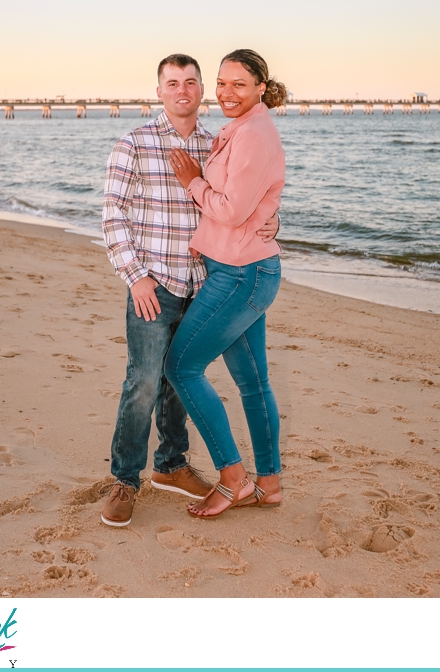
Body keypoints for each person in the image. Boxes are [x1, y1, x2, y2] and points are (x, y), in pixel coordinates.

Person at [99, 54, 277, 528]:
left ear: (201, 91)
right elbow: (113, 216)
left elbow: (240, 201)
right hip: (154, 285)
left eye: (192, 82)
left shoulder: (215, 142)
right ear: (159, 92)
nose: (183, 90)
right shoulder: (134, 143)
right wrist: (135, 277)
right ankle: (125, 480)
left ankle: (173, 464)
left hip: (205, 282)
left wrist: (269, 221)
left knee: (180, 380)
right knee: (143, 382)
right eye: (172, 83)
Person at [163, 48, 287, 518]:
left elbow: (232, 210)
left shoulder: (253, 135)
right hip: (243, 268)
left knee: (182, 367)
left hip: (241, 275)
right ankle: (268, 485)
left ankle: (233, 478)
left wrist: (194, 183)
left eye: (239, 84)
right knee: (253, 384)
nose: (227, 93)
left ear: (260, 87)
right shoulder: (240, 130)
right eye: (221, 83)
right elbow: (250, 205)